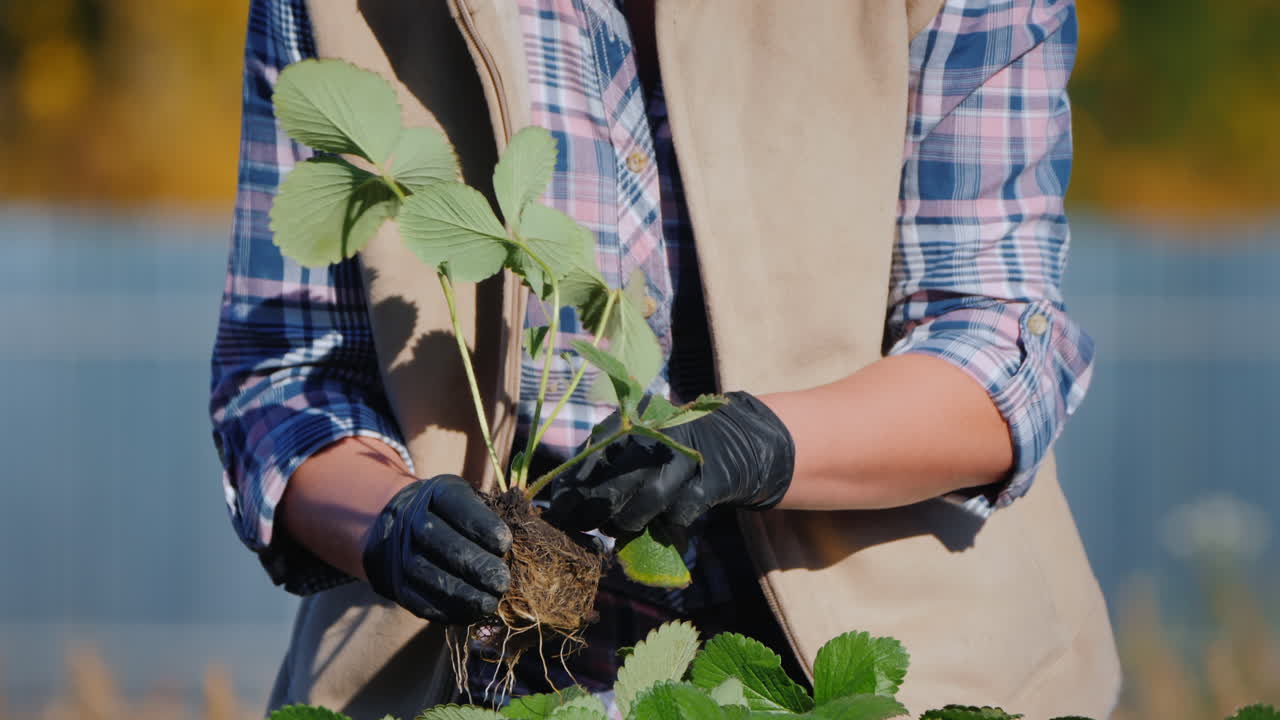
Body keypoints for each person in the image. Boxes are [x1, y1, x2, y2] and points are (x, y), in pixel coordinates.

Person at [210, 0, 1121, 717]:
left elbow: (1001, 344)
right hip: (481, 683)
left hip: (878, 675)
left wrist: (763, 445)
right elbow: (285, 378)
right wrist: (388, 522)